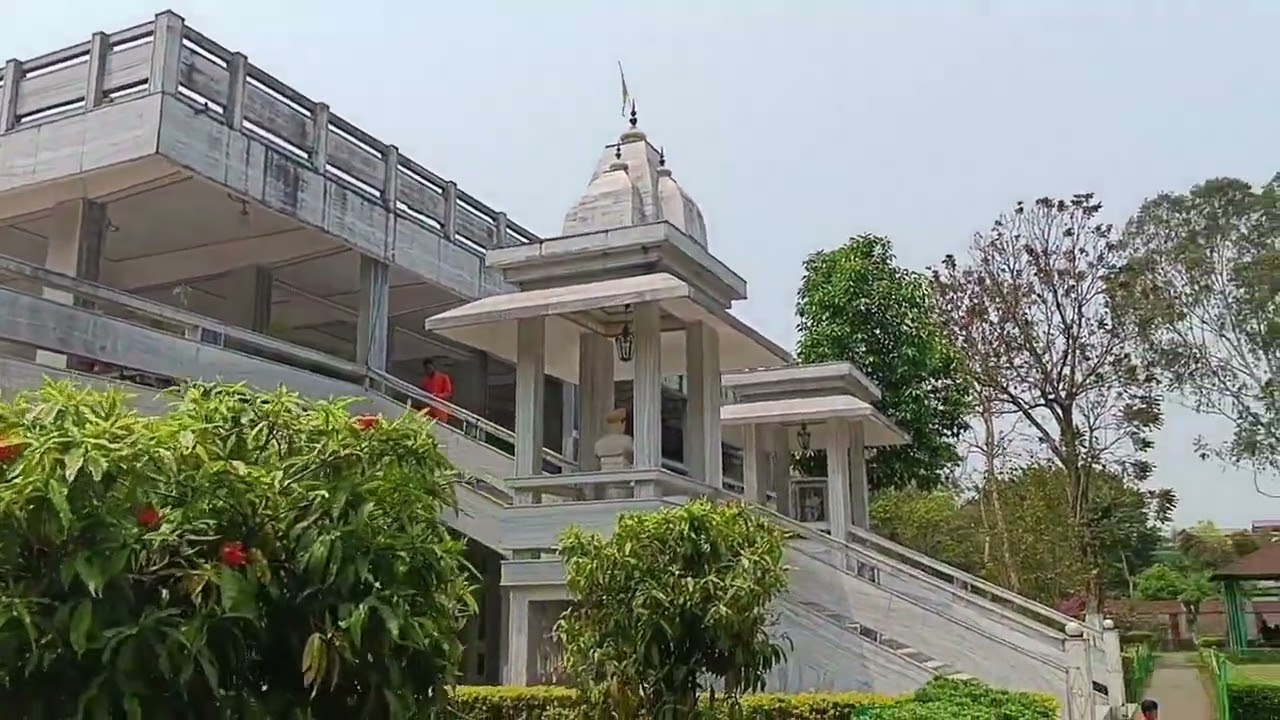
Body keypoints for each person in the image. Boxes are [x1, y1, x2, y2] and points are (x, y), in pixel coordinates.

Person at [419, 357, 454, 423]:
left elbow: (448, 393)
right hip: (429, 411)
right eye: (426, 369)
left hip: (441, 411)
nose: (428, 370)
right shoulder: (425, 381)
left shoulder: (444, 377)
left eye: (429, 368)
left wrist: (438, 396)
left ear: (433, 367)